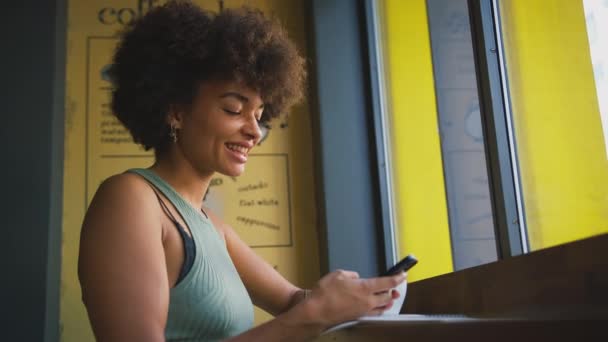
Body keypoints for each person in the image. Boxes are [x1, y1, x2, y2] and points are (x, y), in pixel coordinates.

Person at [78, 1, 406, 341]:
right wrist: (313, 314)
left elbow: (295, 302)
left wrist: (356, 296)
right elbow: (304, 316)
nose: (254, 131)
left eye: (260, 115)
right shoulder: (130, 199)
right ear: (175, 111)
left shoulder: (210, 225)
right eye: (234, 109)